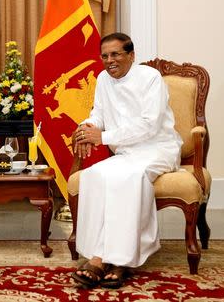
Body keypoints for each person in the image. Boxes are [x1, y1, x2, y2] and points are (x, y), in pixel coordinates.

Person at [71, 32, 182, 289]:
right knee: (94, 175)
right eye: (105, 56)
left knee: (129, 178)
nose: (110, 60)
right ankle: (99, 255)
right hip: (126, 152)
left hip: (158, 148)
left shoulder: (150, 78)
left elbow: (149, 125)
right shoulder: (102, 79)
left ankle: (122, 261)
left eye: (116, 54)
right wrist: (86, 128)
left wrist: (103, 136)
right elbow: (98, 113)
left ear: (131, 56)